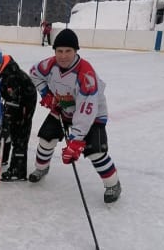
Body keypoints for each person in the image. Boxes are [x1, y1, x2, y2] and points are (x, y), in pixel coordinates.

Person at [28, 28, 121, 203]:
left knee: (95, 151)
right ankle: (41, 169)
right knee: (46, 139)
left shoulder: (85, 74)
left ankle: (113, 184)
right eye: (59, 51)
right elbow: (34, 73)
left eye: (68, 51)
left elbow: (86, 111)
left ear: (76, 51)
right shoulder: (49, 65)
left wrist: (76, 140)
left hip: (92, 115)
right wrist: (46, 93)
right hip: (62, 109)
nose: (63, 56)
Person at [0, 44, 37, 181]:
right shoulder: (1, 73)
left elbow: (14, 102)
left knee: (19, 136)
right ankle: (1, 157)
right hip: (14, 102)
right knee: (2, 129)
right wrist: (5, 124)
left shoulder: (10, 76)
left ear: (0, 62)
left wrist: (8, 122)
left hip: (24, 106)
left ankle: (18, 170)